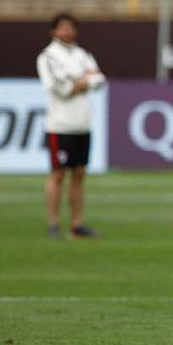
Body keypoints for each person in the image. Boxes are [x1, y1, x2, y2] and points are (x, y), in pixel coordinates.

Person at [36, 12, 104, 239]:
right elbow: (59, 89)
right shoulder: (48, 57)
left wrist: (79, 81)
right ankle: (53, 223)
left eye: (70, 27)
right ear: (53, 31)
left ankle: (76, 223)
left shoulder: (81, 54)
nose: (67, 31)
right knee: (58, 174)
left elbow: (99, 80)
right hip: (60, 125)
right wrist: (84, 80)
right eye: (62, 27)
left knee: (79, 173)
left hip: (82, 122)